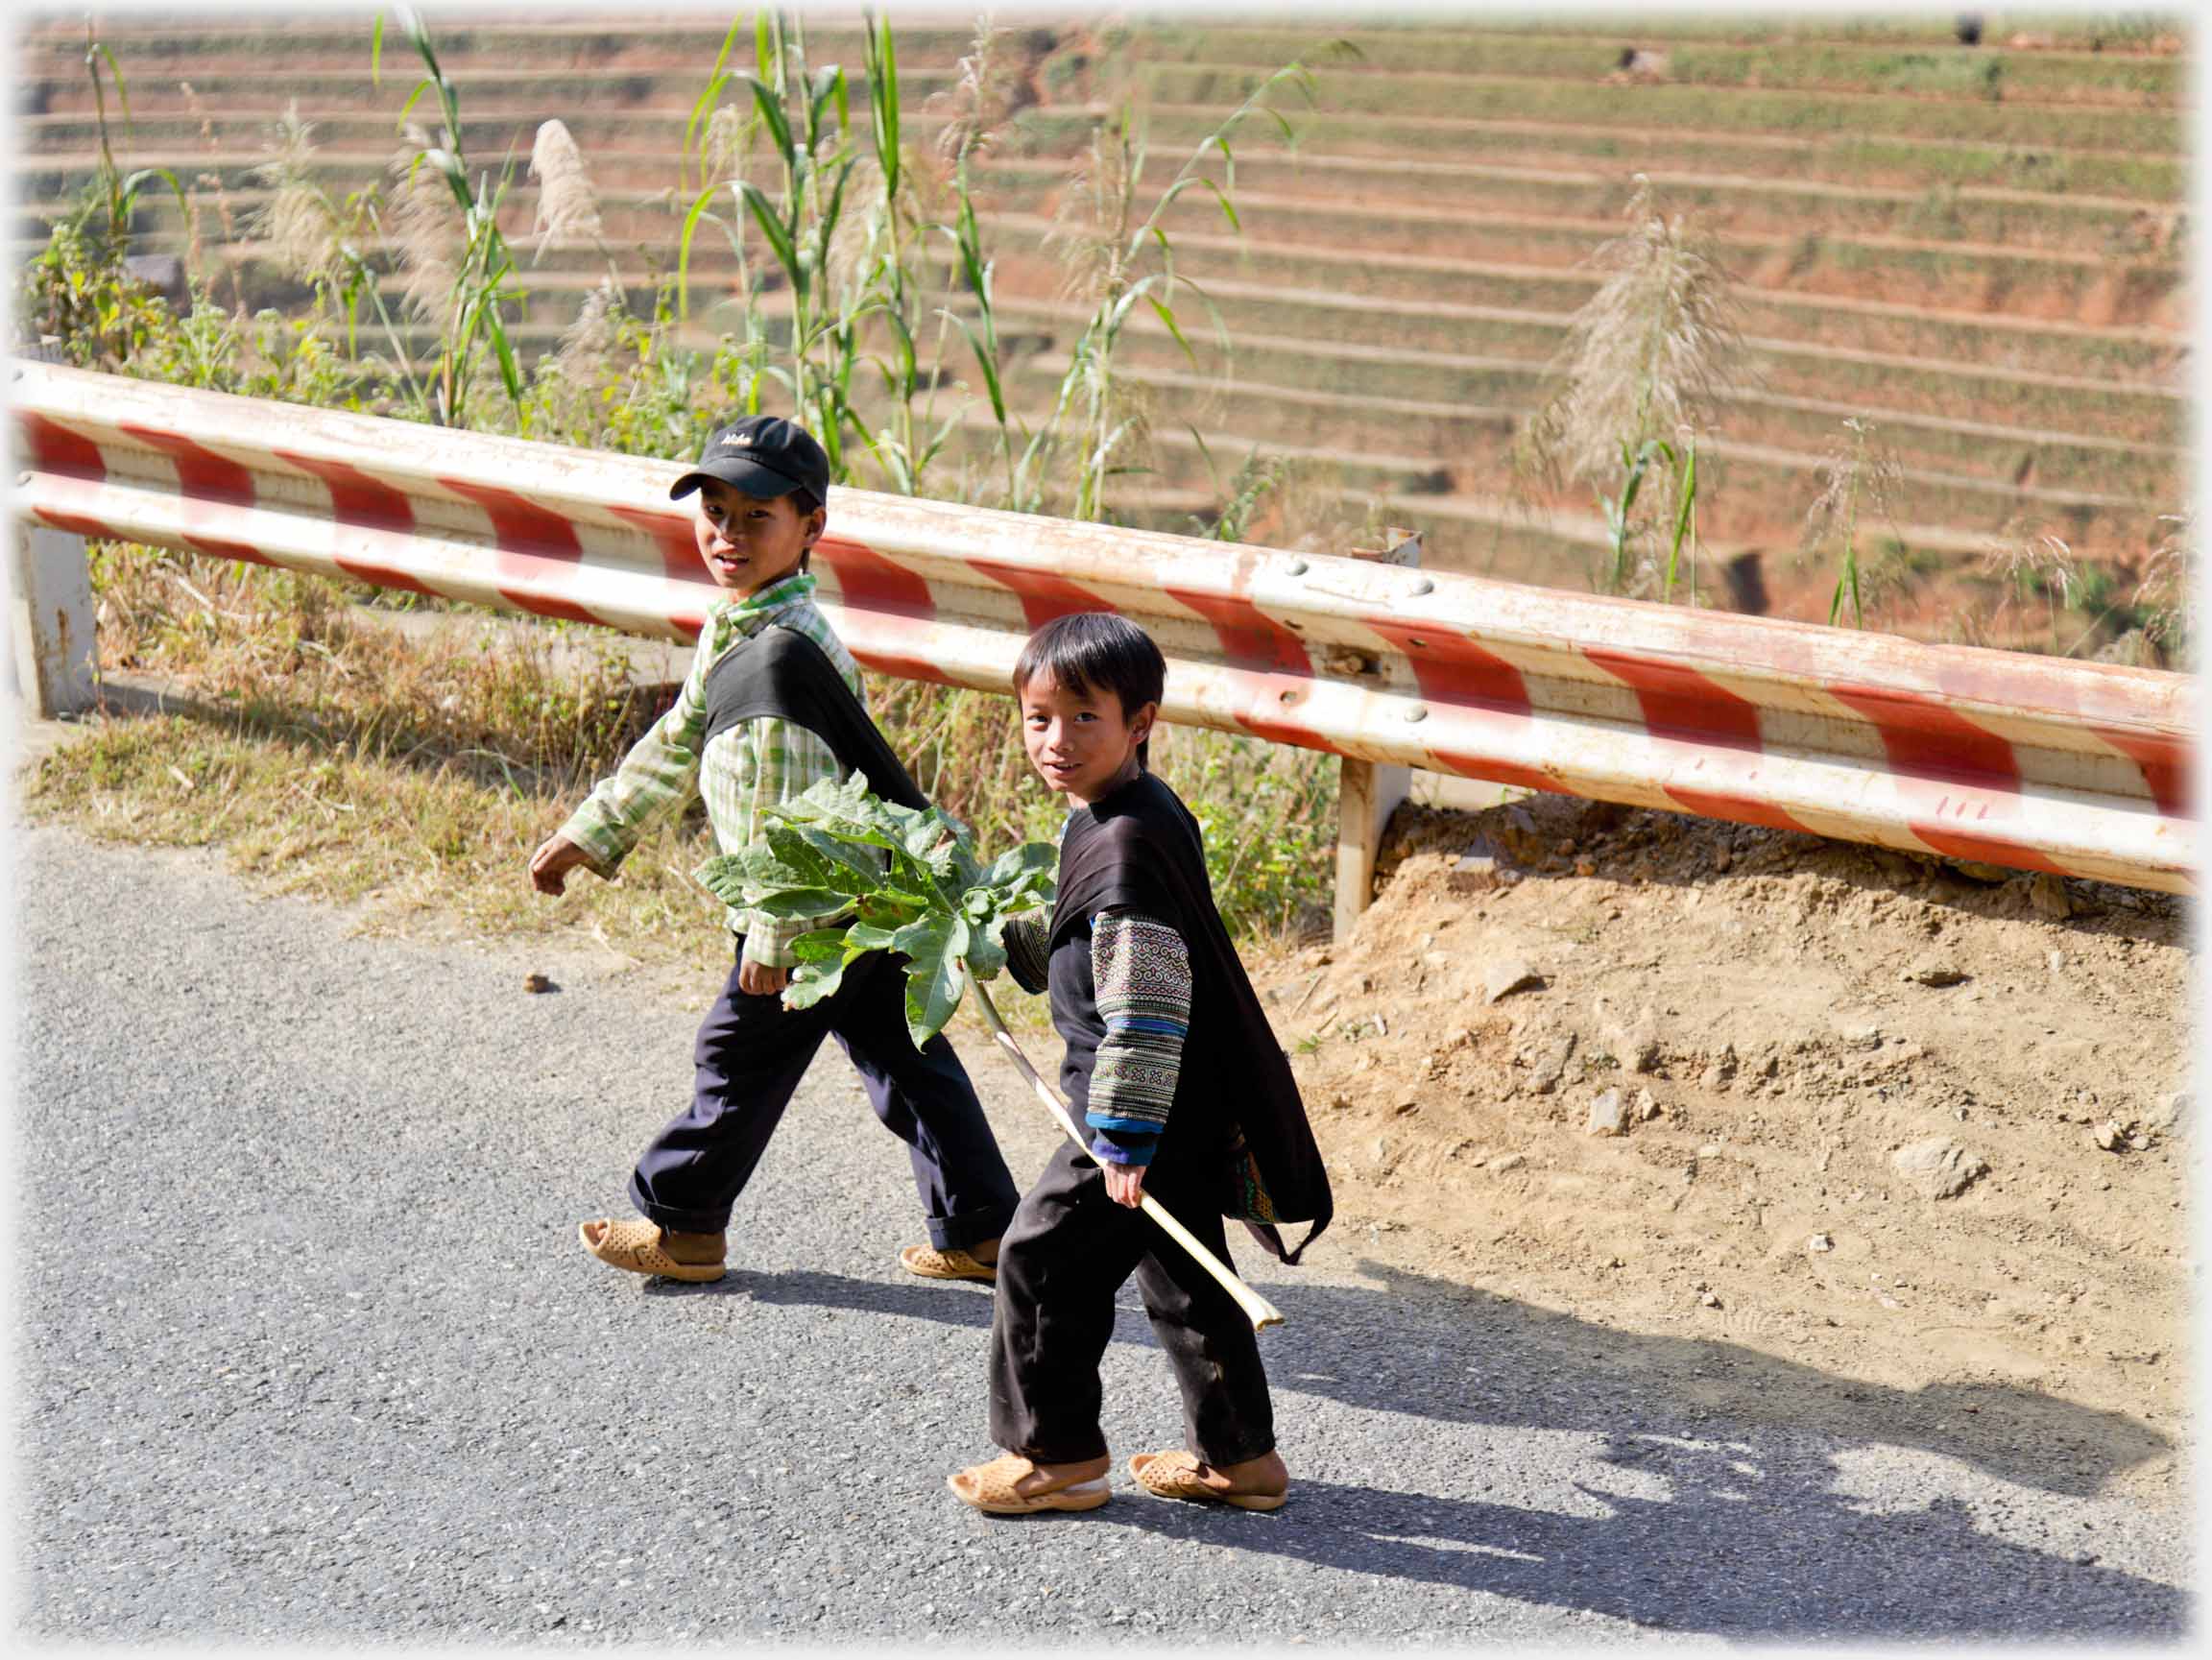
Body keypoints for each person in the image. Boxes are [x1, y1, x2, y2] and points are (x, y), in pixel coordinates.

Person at [529, 414, 1020, 1286]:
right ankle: (982, 1230)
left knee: (738, 1057)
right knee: (906, 1059)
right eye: (715, 511)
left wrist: (772, 941)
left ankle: (683, 1227)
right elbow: (677, 742)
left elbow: (786, 825)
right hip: (857, 902)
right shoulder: (743, 630)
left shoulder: (781, 658)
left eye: (758, 517)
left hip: (806, 919)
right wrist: (587, 833)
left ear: (811, 529)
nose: (729, 534)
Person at [947, 612, 1332, 1516]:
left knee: (1038, 1260)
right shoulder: (1130, 813)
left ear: (1141, 720)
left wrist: (1120, 1141)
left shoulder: (1118, 842)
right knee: (1187, 1279)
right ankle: (1241, 1460)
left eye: (1085, 718)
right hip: (1184, 1105)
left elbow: (1148, 1007)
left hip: (1134, 1104)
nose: (1057, 740)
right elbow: (1097, 935)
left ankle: (1057, 1457)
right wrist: (1005, 946)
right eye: (1039, 717)